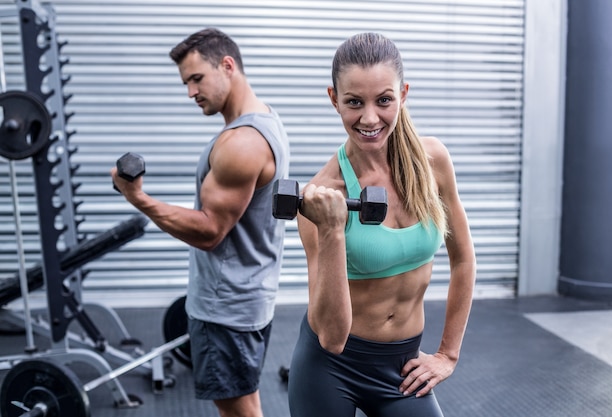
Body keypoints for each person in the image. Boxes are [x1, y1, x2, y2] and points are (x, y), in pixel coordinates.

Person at [287, 32, 476, 417]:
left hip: (402, 368)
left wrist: (447, 354)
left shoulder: (433, 161)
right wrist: (332, 230)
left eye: (384, 100)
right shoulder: (322, 197)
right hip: (330, 368)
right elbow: (332, 337)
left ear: (403, 94)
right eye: (354, 102)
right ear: (333, 98)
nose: (370, 118)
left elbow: (463, 259)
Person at [111, 28, 290, 417]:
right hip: (246, 296)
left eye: (196, 79)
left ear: (228, 66)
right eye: (186, 83)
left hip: (226, 306)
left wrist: (138, 198)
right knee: (245, 404)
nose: (191, 93)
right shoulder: (266, 119)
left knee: (237, 411)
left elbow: (210, 231)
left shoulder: (241, 143)